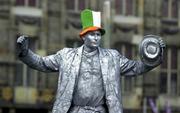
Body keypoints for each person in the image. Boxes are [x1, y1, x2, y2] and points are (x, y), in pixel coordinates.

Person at [16, 9, 165, 113]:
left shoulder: (112, 57)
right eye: (92, 34)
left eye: (98, 35)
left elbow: (137, 67)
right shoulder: (66, 56)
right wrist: (25, 52)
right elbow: (41, 63)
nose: (96, 38)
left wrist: (155, 55)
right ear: (83, 36)